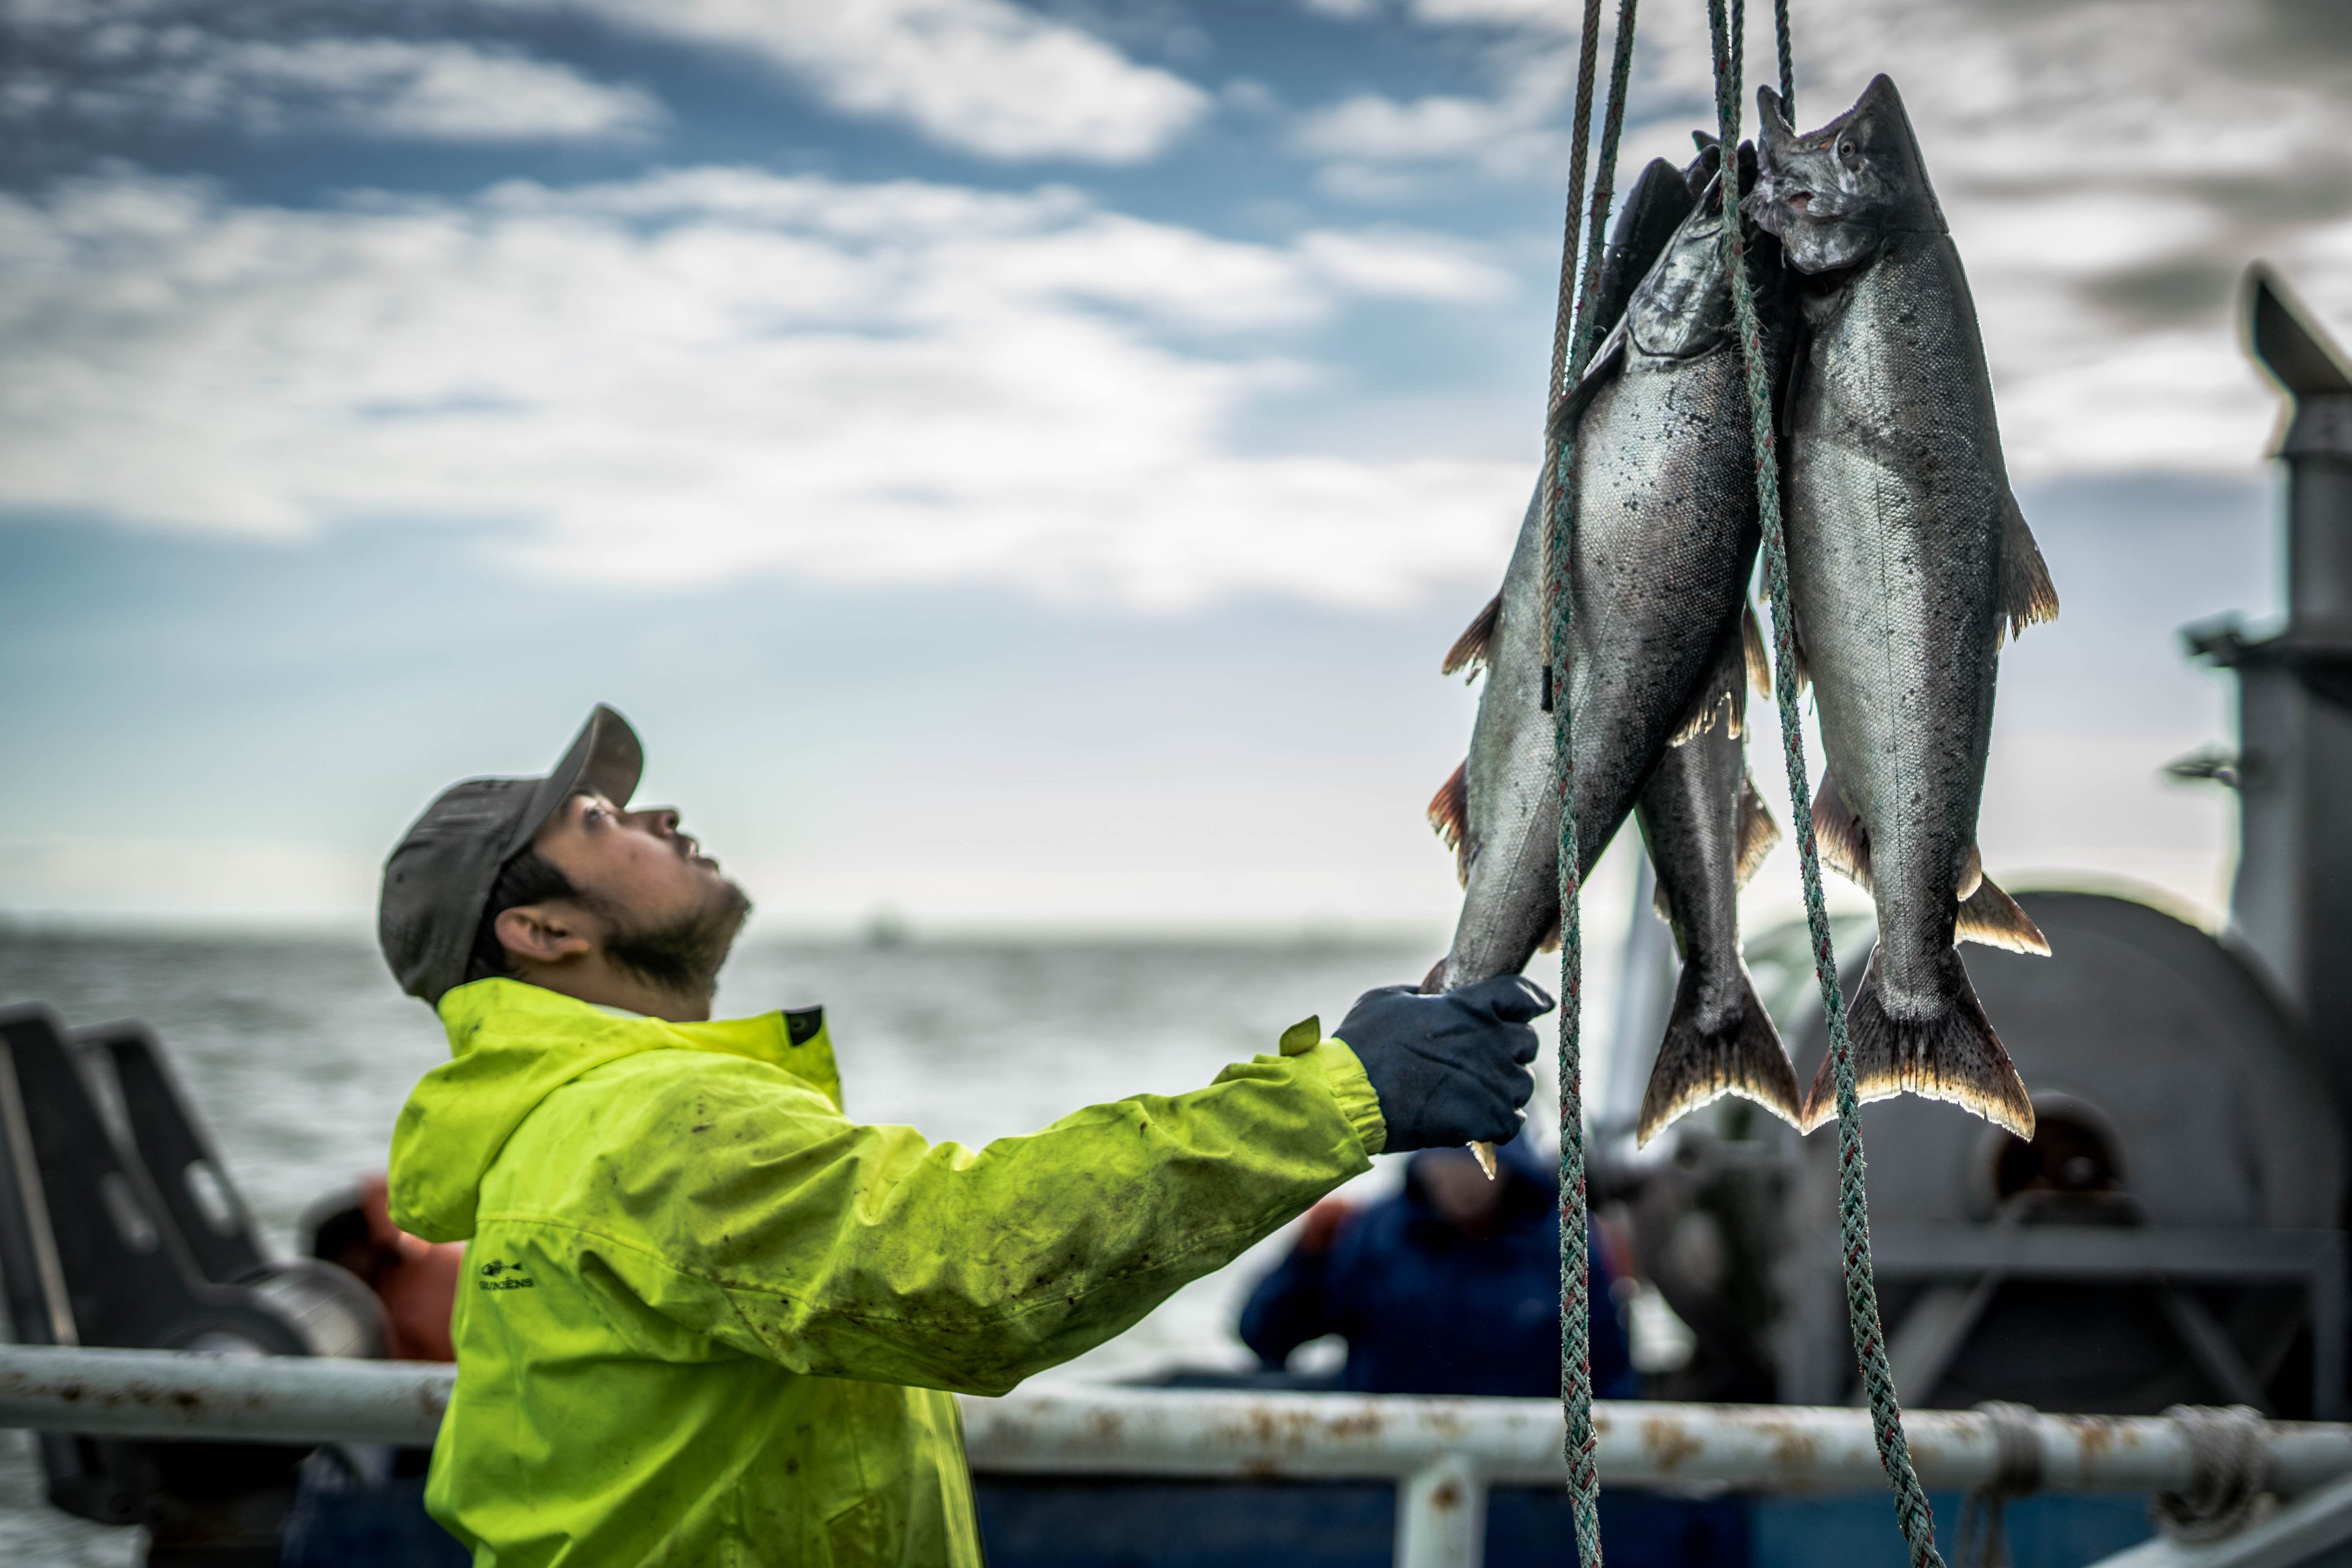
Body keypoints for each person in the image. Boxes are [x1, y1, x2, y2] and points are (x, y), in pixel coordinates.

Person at [377, 704, 1553, 1567]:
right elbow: (975, 1263)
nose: (659, 814)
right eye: (601, 820)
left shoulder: (555, 1136)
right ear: (538, 931)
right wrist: (1343, 1093)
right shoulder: (654, 1127)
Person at [1238, 1129, 1637, 1399]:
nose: (1457, 1184)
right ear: (1420, 1166)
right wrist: (1306, 1258)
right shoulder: (1373, 1234)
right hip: (1386, 1470)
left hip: (1523, 1478)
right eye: (1443, 1166)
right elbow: (1265, 1337)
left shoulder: (1573, 1244)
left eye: (1474, 1168)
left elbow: (1608, 1380)